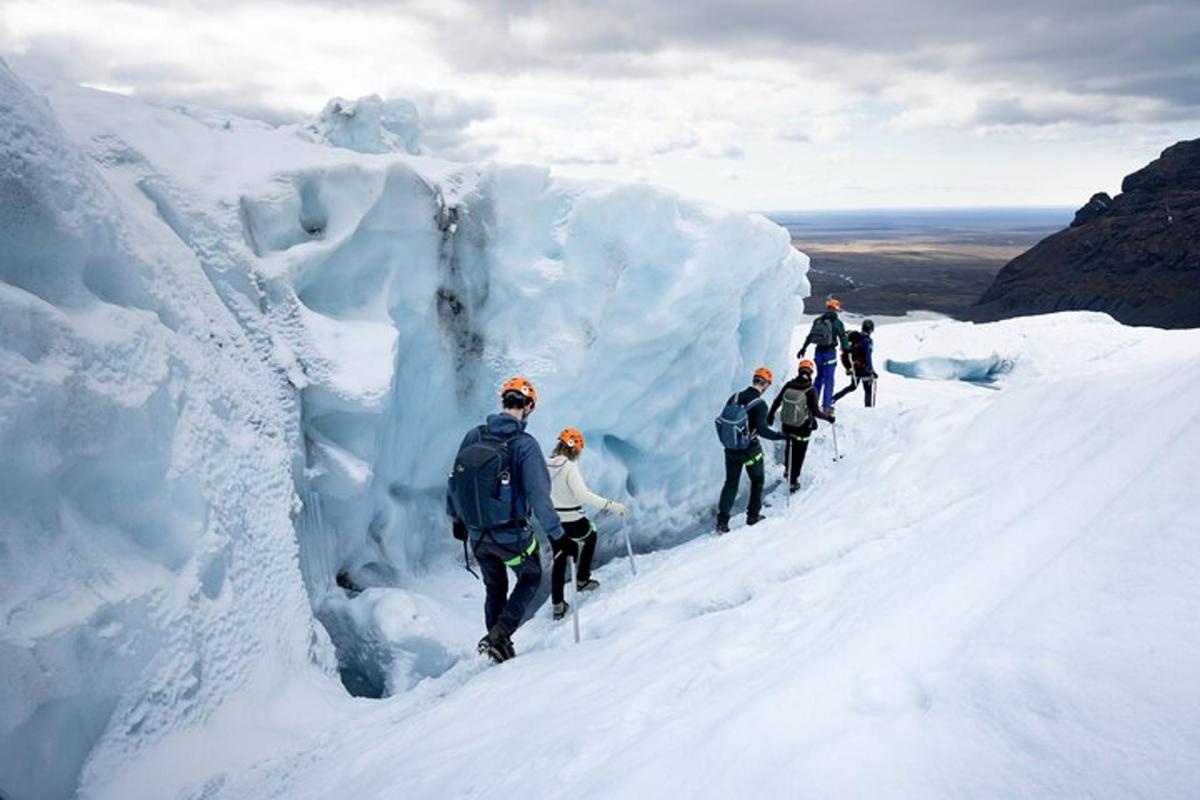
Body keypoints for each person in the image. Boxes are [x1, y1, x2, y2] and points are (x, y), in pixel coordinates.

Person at [447, 376, 565, 663]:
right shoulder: (524, 445)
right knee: (531, 576)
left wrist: (458, 520)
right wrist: (556, 533)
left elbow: (454, 482)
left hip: (478, 536)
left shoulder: (474, 436)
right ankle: (500, 635)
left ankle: (496, 644)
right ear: (529, 407)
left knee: (495, 586)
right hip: (512, 538)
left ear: (503, 402)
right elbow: (539, 495)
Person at [546, 427, 629, 620]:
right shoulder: (569, 467)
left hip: (553, 520)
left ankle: (557, 604)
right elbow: (582, 495)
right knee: (590, 534)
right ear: (573, 448)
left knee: (559, 558)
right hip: (574, 519)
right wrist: (611, 505)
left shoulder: (545, 464)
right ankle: (582, 579)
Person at [715, 367, 785, 534]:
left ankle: (722, 523)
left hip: (730, 449)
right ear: (766, 384)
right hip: (750, 450)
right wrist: (781, 436)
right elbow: (762, 430)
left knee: (730, 483)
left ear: (754, 380)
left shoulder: (735, 396)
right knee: (757, 480)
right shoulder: (760, 405)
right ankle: (753, 516)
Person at [767, 359, 836, 492]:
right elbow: (815, 411)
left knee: (789, 447)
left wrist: (770, 415)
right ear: (810, 372)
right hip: (802, 428)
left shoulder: (789, 385)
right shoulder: (810, 390)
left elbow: (777, 401)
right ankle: (793, 481)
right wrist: (828, 418)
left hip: (787, 425)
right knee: (799, 453)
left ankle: (788, 472)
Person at [798, 298, 851, 411]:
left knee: (819, 378)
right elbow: (843, 337)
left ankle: (812, 403)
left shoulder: (818, 320)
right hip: (829, 353)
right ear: (836, 309)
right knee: (829, 380)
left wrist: (803, 348)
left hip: (818, 353)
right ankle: (826, 406)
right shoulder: (837, 323)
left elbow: (810, 336)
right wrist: (846, 350)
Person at [833, 319, 878, 407]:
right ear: (871, 329)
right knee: (868, 389)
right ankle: (868, 409)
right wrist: (871, 371)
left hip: (855, 368)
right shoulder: (867, 340)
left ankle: (834, 398)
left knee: (853, 386)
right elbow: (867, 356)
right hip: (864, 368)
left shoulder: (856, 338)